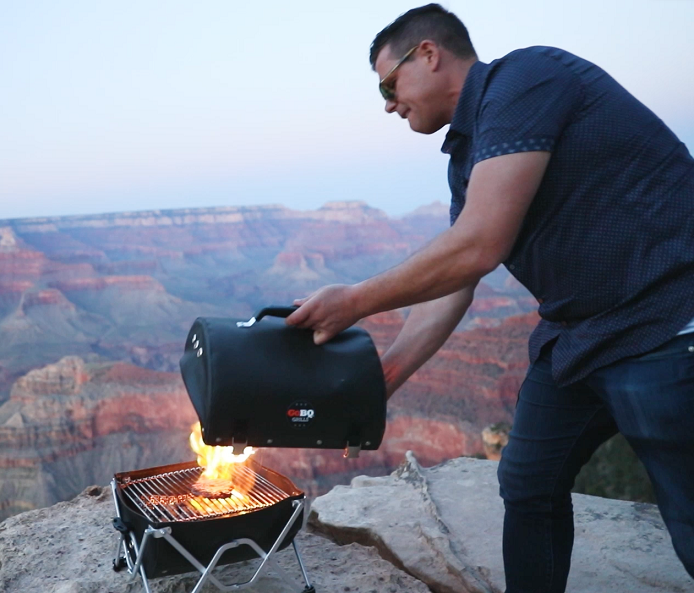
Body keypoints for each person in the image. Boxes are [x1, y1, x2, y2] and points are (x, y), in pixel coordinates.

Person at [285, 4, 694, 591]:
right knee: (527, 482)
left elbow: (478, 246)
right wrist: (383, 380)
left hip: (663, 321)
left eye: (389, 83)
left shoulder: (527, 79)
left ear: (428, 54)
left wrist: (353, 301)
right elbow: (458, 277)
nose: (388, 103)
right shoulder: (469, 156)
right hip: (580, 337)